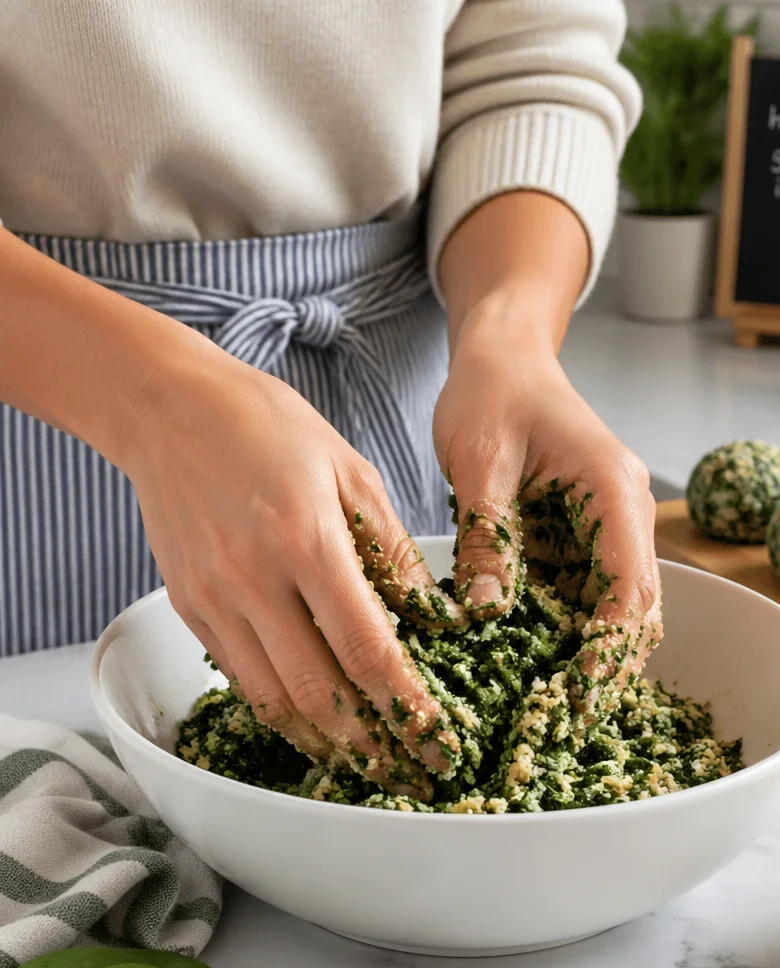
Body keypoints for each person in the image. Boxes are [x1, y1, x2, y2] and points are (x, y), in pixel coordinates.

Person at [0, 1, 659, 797]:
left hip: (393, 362)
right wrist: (148, 400)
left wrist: (510, 330)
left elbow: (532, 61)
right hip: (45, 384)